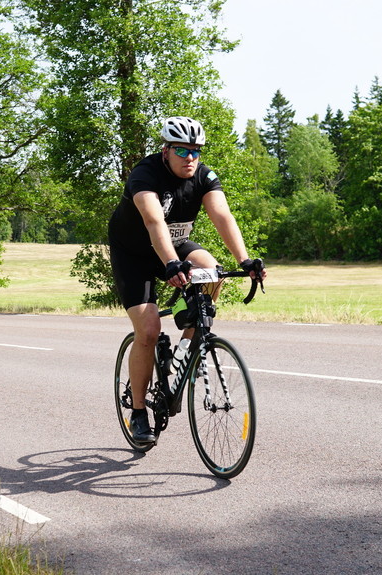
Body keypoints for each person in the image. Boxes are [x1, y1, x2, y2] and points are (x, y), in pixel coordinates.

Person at [108, 116, 266, 443]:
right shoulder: (145, 174)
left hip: (175, 247)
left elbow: (222, 215)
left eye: (195, 151)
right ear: (165, 151)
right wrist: (170, 264)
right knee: (149, 329)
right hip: (135, 255)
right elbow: (154, 222)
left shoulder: (204, 177)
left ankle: (186, 343)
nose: (190, 158)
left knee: (213, 269)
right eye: (181, 150)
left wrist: (246, 260)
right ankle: (139, 412)